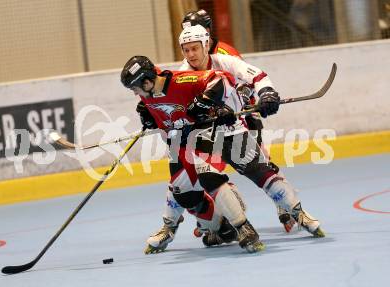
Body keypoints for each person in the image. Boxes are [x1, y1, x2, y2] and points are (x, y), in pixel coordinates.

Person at [120, 55, 266, 254]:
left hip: (206, 132)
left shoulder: (181, 80)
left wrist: (205, 101)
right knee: (184, 195)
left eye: (134, 88)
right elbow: (164, 118)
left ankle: (243, 227)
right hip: (179, 143)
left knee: (207, 174)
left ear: (147, 81)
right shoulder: (146, 96)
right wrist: (149, 118)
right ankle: (221, 227)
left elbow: (222, 79)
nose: (134, 93)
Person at [182, 10, 296, 232]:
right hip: (216, 124)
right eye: (185, 32)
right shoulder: (191, 56)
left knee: (261, 163)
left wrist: (254, 100)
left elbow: (244, 80)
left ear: (207, 32)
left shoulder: (224, 53)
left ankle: (285, 206)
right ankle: (214, 215)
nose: (190, 37)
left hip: (242, 115)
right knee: (206, 170)